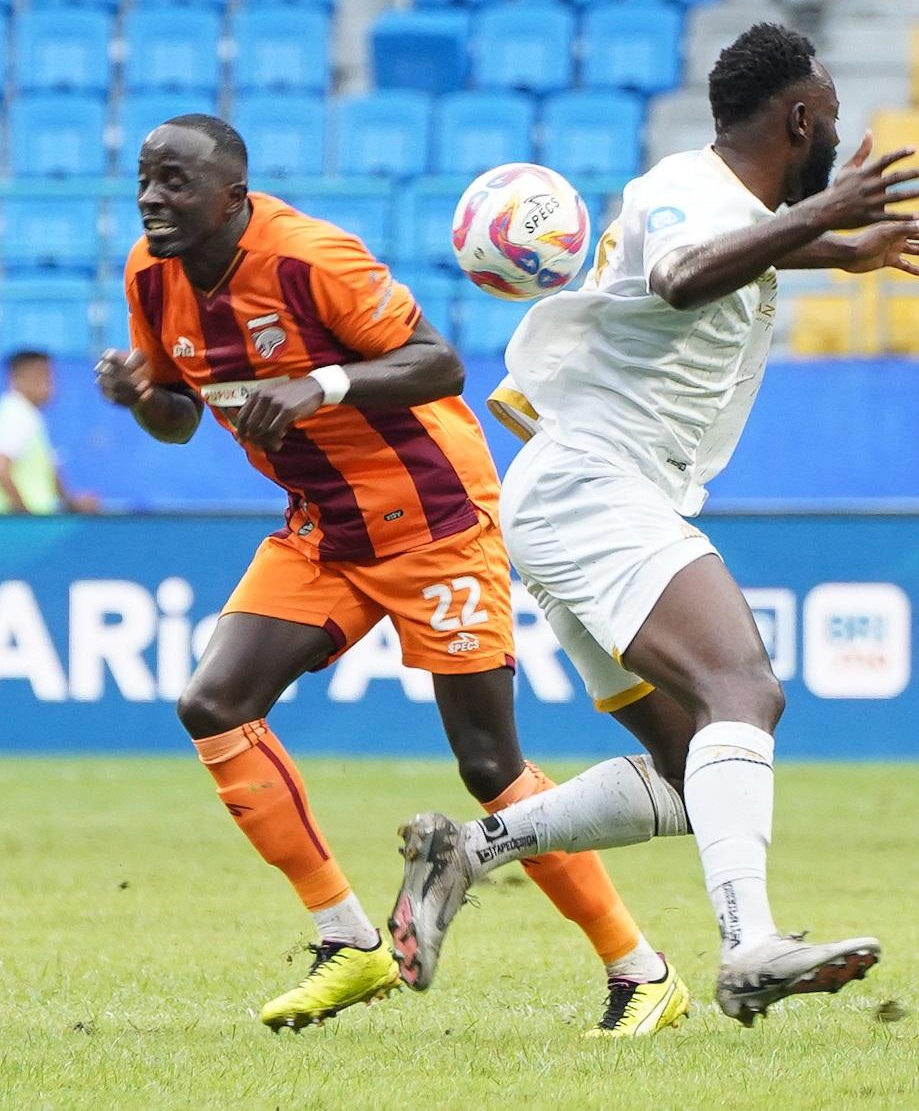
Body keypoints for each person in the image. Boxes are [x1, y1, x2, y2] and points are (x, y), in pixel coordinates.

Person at [389, 24, 919, 1027]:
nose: (834, 138)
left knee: (694, 771)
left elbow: (727, 253)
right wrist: (828, 212)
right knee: (745, 688)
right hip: (596, 485)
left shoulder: (725, 202)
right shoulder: (684, 190)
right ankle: (751, 947)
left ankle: (469, 851)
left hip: (580, 495)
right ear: (798, 120)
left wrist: (839, 247)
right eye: (826, 121)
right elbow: (683, 275)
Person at [94, 115, 685, 1037]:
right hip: (322, 530)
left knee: (488, 766)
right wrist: (141, 400)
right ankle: (347, 940)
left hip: (435, 519)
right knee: (214, 702)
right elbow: (179, 414)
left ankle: (639, 970)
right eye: (144, 180)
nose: (152, 199)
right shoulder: (149, 275)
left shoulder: (308, 259)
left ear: (233, 199)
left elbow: (438, 362)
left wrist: (319, 386)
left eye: (173, 183)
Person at [0, 349, 98, 515]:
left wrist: (72, 504)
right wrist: (26, 517)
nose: (49, 384)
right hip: (15, 531)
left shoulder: (28, 416)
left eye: (50, 377)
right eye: (41, 377)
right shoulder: (15, 415)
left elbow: (51, 473)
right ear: (16, 379)